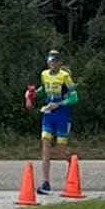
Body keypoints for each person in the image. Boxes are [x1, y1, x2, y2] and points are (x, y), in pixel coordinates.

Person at [24, 49, 78, 195]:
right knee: (45, 143)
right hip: (48, 113)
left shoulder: (65, 76)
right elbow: (44, 90)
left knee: (61, 151)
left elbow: (74, 97)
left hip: (62, 114)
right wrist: (32, 94)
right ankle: (46, 182)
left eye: (54, 61)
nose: (52, 64)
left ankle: (71, 162)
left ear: (60, 63)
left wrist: (59, 104)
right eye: (50, 61)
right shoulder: (44, 74)